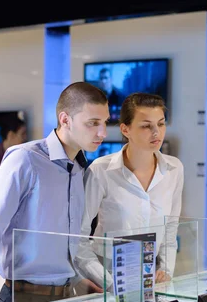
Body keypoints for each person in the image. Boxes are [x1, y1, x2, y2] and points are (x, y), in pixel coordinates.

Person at [0, 82, 110, 302]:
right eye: (93, 123)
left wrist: (76, 280)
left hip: (66, 300)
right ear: (65, 120)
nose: (103, 133)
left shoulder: (78, 167)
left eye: (105, 122)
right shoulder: (25, 159)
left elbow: (63, 242)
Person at [74, 92, 184, 289]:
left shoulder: (174, 169)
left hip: (152, 275)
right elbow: (79, 239)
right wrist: (109, 283)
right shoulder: (101, 170)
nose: (156, 132)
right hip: (104, 277)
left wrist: (166, 271)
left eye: (160, 123)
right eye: (146, 126)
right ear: (125, 129)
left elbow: (170, 229)